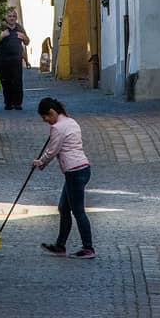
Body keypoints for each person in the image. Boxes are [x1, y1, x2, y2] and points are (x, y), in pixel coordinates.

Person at [33, 96, 94, 258]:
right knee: (64, 208)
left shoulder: (58, 128)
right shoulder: (71, 122)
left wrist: (40, 163)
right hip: (83, 168)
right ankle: (60, 246)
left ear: (52, 112)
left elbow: (52, 151)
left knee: (78, 211)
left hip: (74, 171)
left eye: (46, 117)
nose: (46, 121)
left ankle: (88, 248)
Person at [0, 8, 30, 110]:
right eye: (9, 16)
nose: (12, 18)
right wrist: (0, 36)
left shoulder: (19, 28)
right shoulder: (1, 28)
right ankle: (8, 103)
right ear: (6, 18)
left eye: (14, 16)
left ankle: (17, 103)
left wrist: (23, 37)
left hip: (16, 59)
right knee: (6, 82)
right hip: (2, 60)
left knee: (17, 82)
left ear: (16, 18)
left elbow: (27, 42)